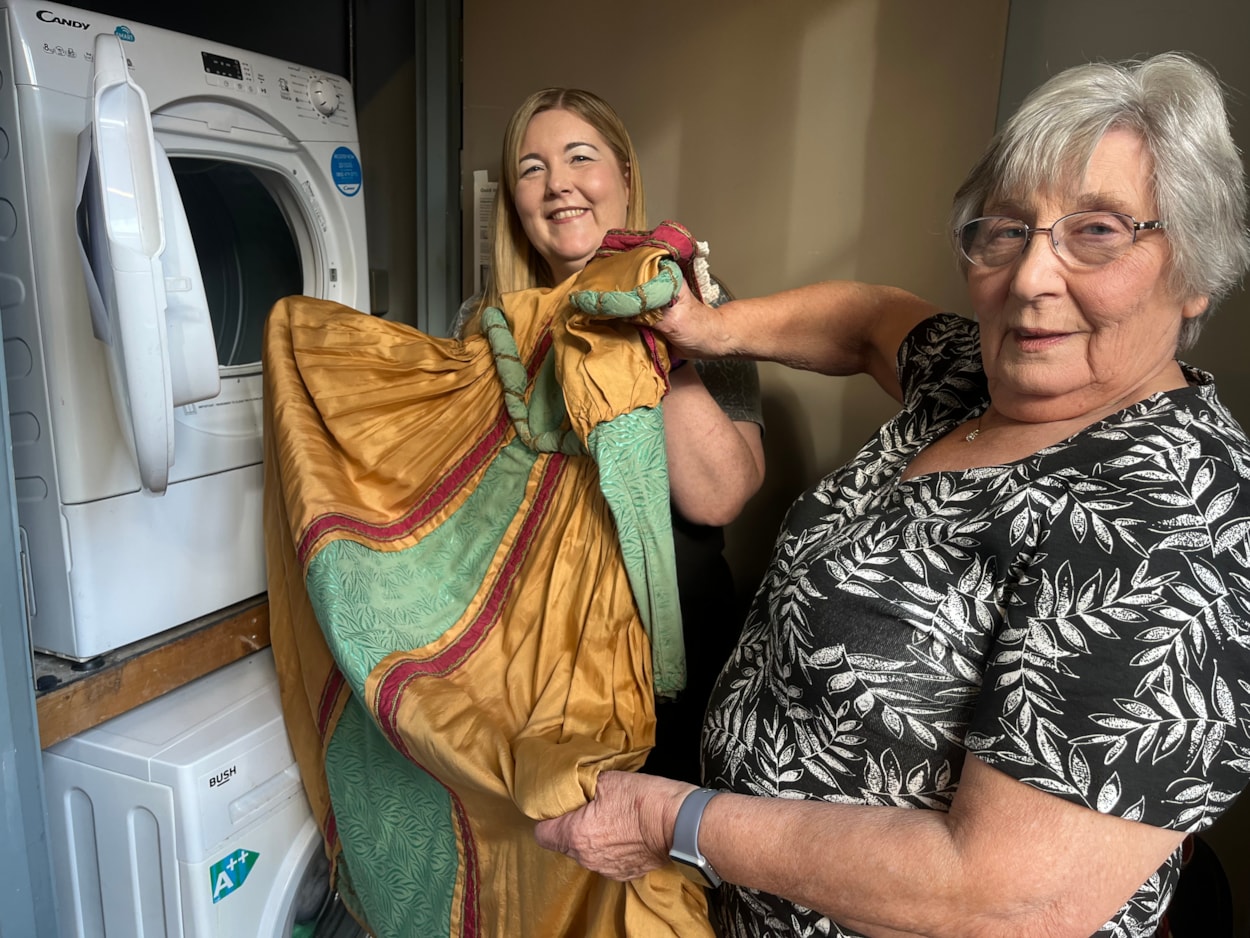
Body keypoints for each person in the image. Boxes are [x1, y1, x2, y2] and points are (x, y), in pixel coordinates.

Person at [533, 52, 1250, 938]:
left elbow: (1006, 899)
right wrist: (706, 328)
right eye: (1007, 230)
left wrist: (673, 821)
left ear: (1194, 271)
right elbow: (868, 321)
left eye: (1097, 230)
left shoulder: (1170, 522)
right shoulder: (983, 374)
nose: (1031, 278)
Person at [461, 87, 767, 783]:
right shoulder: (484, 324)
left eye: (580, 157)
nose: (557, 184)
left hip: (667, 653)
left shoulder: (697, 299)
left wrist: (654, 327)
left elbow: (718, 497)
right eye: (532, 168)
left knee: (649, 840)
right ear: (514, 198)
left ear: (624, 175)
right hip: (530, 647)